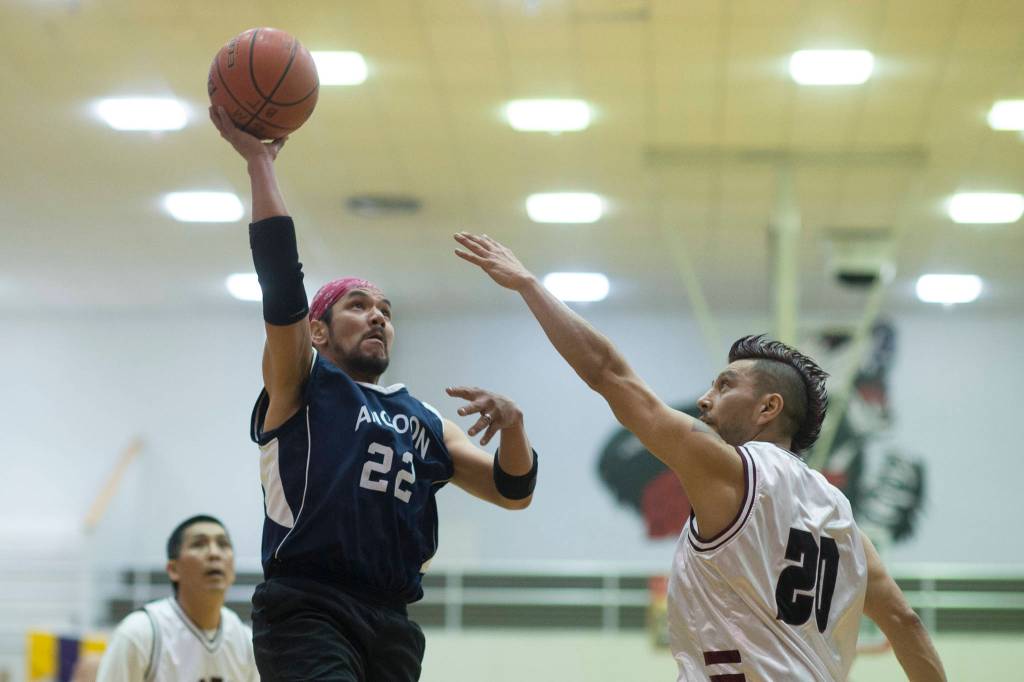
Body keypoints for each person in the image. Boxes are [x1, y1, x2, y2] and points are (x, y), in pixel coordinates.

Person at [453, 232, 946, 682]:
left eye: (725, 385)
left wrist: (529, 286)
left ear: (768, 408)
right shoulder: (844, 525)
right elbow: (906, 623)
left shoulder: (733, 470)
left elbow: (609, 374)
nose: (706, 399)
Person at [209, 107, 539, 682]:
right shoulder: (303, 382)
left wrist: (515, 427)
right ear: (317, 329)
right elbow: (283, 286)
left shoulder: (427, 419)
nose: (377, 316)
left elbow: (513, 490)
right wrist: (261, 163)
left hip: (392, 620)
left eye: (385, 310)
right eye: (358, 305)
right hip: (307, 605)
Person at [96, 515, 258, 682]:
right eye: (199, 544)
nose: (214, 553)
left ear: (233, 569)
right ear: (173, 569)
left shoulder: (246, 640)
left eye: (223, 544)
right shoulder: (138, 634)